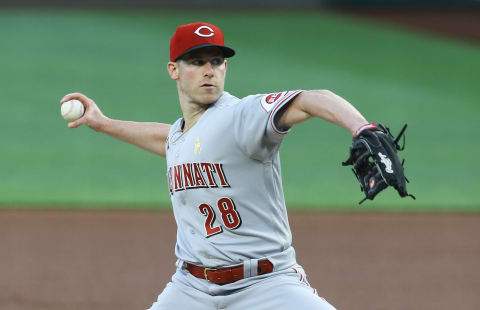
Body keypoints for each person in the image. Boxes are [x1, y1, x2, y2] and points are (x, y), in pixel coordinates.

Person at [61, 22, 369, 310]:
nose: (209, 70)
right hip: (190, 287)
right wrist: (104, 124)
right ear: (174, 70)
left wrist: (362, 128)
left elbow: (311, 100)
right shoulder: (180, 135)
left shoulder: (241, 116)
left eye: (216, 61)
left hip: (266, 285)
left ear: (225, 67)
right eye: (196, 62)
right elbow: (166, 140)